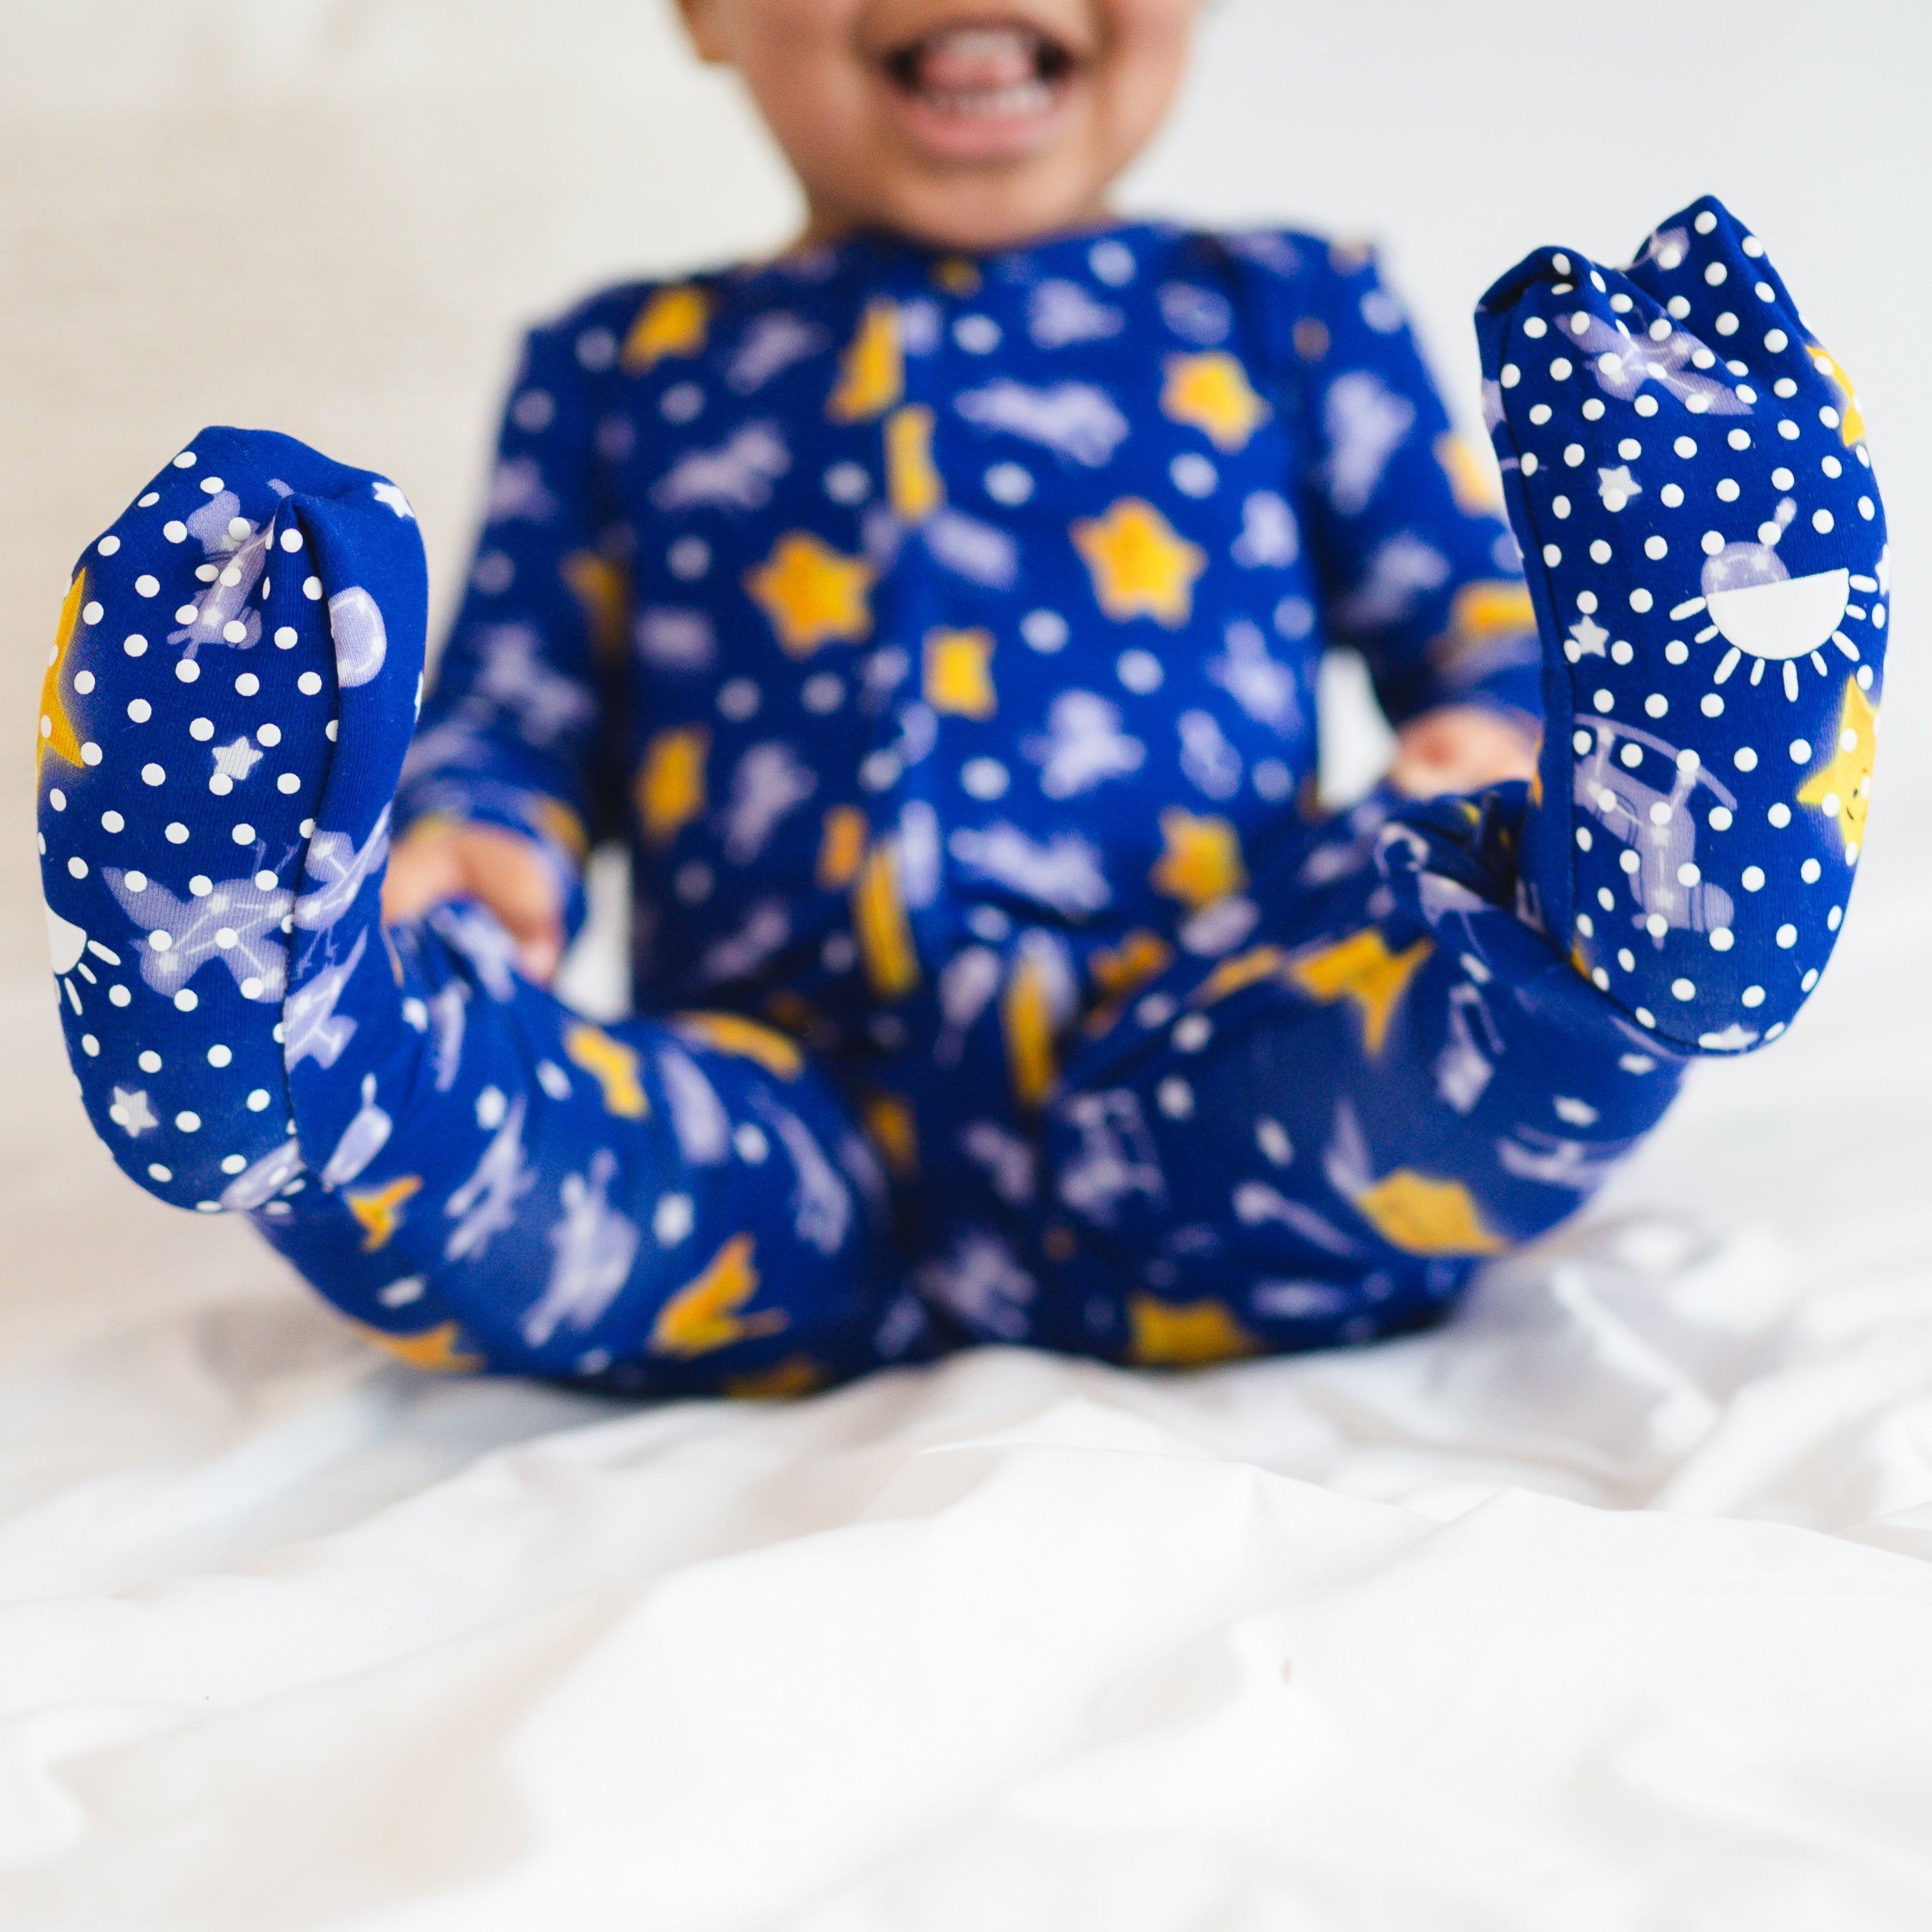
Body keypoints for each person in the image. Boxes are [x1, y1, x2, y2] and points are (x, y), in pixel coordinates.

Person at [36, 1, 1887, 1392]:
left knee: (1413, 986)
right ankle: (281, 1031)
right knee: (518, 1149)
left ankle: (1646, 883)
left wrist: (1489, 725)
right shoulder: (616, 369)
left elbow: (1469, 627)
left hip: (1205, 1070)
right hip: (766, 1136)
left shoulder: (1290, 310)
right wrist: (475, 838)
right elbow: (516, 707)